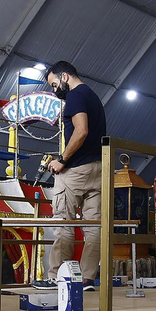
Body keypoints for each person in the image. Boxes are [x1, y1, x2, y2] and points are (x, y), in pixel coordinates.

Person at [38, 61, 107, 289]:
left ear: (65, 76)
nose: (54, 90)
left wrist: (62, 159)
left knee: (63, 222)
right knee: (93, 226)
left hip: (76, 169)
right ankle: (87, 277)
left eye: (54, 84)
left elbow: (81, 130)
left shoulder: (76, 96)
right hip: (98, 169)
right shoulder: (94, 97)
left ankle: (58, 277)